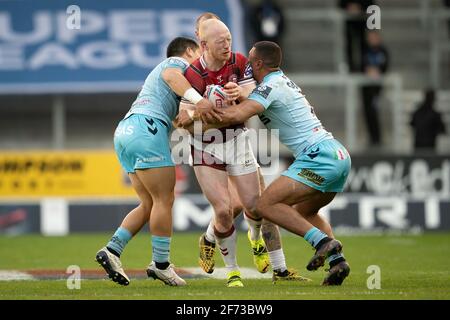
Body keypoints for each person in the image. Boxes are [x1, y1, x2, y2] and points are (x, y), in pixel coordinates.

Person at [177, 41, 351, 285]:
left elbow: (237, 115)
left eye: (250, 60)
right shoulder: (281, 81)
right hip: (339, 155)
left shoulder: (269, 87)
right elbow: (245, 99)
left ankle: (322, 242)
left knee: (265, 205)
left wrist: (194, 114)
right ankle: (337, 262)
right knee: (306, 212)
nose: (246, 64)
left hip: (318, 156)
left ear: (258, 63)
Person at [180, 19, 308, 287]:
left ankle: (258, 247)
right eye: (221, 41)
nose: (227, 45)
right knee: (224, 211)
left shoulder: (238, 62)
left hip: (238, 141)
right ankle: (233, 272)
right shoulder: (192, 74)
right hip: (206, 147)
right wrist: (200, 110)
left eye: (229, 38)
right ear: (204, 45)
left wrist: (240, 91)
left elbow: (253, 93)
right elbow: (182, 121)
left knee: (256, 206)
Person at [95, 37, 219, 287]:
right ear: (189, 51)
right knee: (165, 199)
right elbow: (173, 77)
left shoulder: (170, 83)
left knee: (149, 203)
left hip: (127, 131)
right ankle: (161, 265)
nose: (200, 60)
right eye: (198, 52)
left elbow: (179, 122)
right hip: (147, 129)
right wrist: (200, 100)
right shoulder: (177, 63)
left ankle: (112, 250)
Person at [361, 30, 389, 146]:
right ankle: (372, 137)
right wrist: (367, 70)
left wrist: (378, 71)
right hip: (367, 87)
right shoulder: (365, 50)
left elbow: (385, 65)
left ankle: (378, 138)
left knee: (375, 111)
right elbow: (361, 65)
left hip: (377, 88)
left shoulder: (382, 51)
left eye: (374, 37)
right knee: (367, 112)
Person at [339, 0, 375, 72]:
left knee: (364, 45)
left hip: (363, 22)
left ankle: (364, 68)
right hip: (349, 22)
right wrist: (349, 7)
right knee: (349, 46)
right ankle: (350, 68)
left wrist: (360, 7)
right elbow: (340, 4)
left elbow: (372, 4)